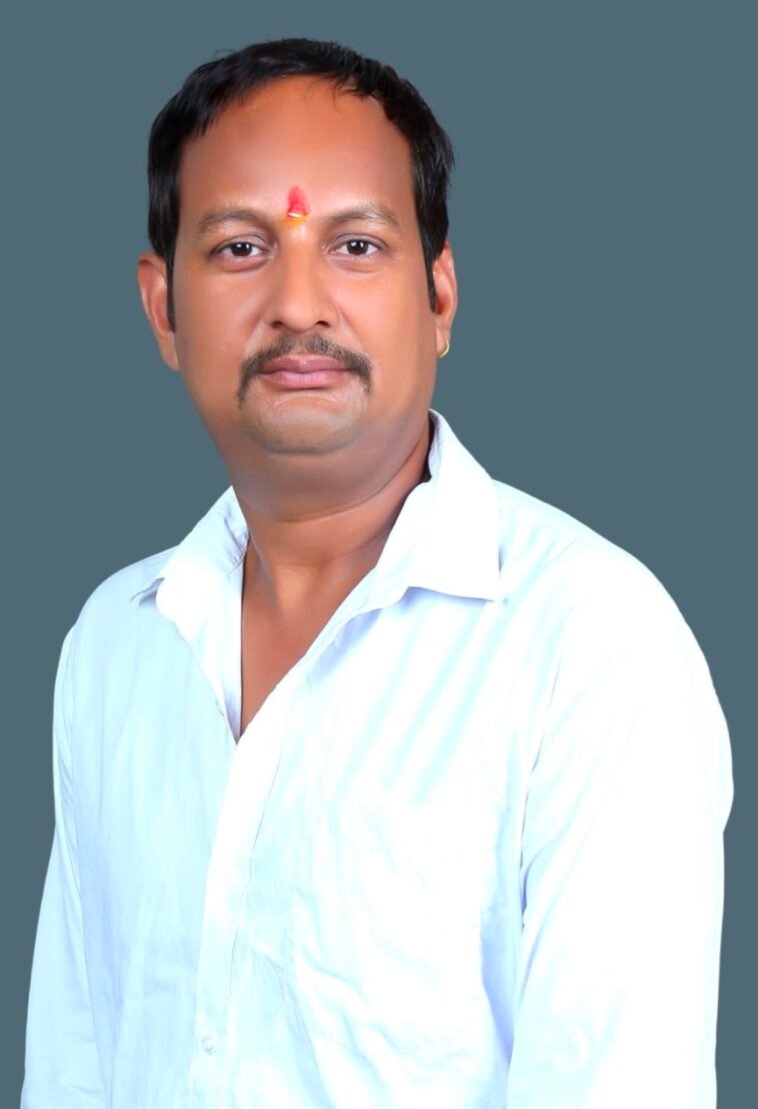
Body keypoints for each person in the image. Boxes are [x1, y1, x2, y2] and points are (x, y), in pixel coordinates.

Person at [21, 36, 733, 1109]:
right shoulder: (117, 642)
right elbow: (73, 1064)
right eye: (239, 248)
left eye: (355, 245)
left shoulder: (589, 644)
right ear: (162, 308)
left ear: (439, 296)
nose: (299, 304)